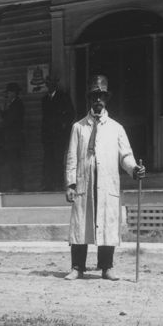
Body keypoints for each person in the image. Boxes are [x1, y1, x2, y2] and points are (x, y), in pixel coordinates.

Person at [63, 74, 145, 281]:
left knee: (107, 223)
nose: (97, 100)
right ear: (89, 99)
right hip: (85, 184)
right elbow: (72, 157)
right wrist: (71, 184)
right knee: (81, 225)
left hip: (107, 184)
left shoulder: (116, 128)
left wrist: (134, 169)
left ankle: (107, 267)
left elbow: (125, 155)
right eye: (94, 96)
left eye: (101, 96)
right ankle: (77, 267)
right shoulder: (78, 127)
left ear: (107, 99)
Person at [41, 74, 76, 191]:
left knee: (58, 159)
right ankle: (48, 185)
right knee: (48, 159)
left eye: (51, 82)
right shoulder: (45, 99)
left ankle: (58, 184)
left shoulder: (63, 97)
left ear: (55, 84)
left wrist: (63, 125)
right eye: (47, 83)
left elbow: (71, 113)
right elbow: (44, 118)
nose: (49, 85)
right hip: (48, 136)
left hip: (59, 135)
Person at [0, 82, 25, 192]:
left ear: (14, 93)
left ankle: (17, 186)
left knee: (15, 163)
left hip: (14, 139)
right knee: (11, 163)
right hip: (9, 140)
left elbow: (6, 122)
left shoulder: (17, 105)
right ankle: (13, 185)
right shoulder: (11, 104)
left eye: (9, 92)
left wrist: (0, 114)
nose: (7, 95)